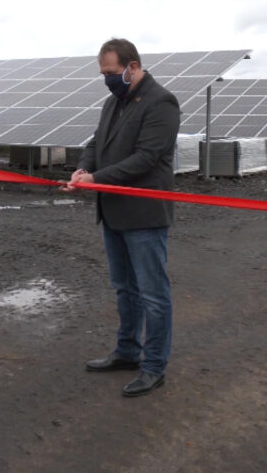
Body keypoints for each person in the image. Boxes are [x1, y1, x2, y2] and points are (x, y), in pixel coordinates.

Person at [66, 38, 181, 397]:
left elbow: (146, 158)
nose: (107, 80)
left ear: (133, 67)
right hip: (113, 211)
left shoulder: (161, 102)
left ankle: (154, 366)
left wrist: (96, 179)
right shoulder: (113, 103)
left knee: (153, 294)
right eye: (103, 74)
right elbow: (95, 144)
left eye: (112, 73)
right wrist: (83, 169)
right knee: (124, 289)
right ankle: (128, 351)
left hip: (144, 215)